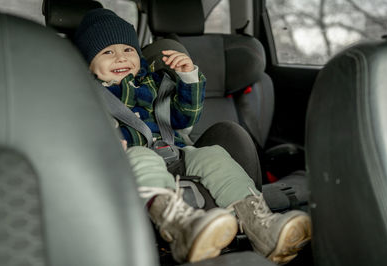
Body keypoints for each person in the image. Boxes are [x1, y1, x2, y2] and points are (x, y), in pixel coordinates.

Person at [74, 8, 311, 264]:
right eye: (108, 52)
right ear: (89, 63)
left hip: (175, 153)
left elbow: (184, 117)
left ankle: (261, 226)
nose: (121, 57)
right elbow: (74, 131)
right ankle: (179, 226)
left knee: (213, 154)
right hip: (127, 160)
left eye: (128, 50)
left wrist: (187, 77)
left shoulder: (153, 84)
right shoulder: (86, 96)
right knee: (142, 155)